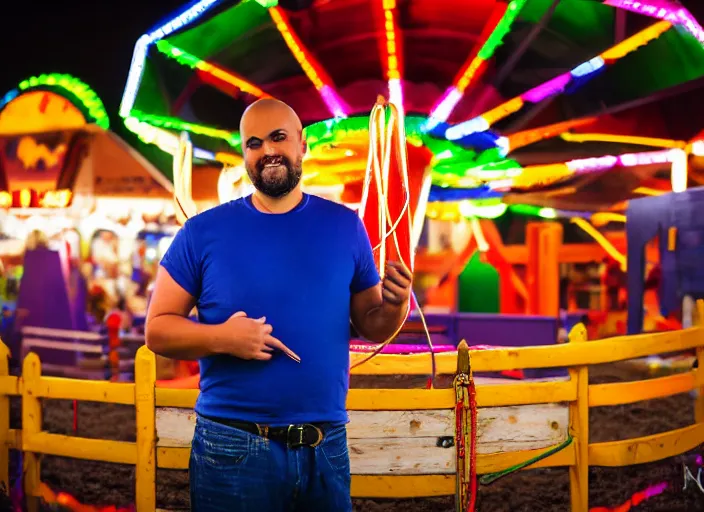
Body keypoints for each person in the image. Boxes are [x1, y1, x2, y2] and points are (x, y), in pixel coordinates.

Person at [145, 98, 413, 511]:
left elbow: (371, 324)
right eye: (254, 143)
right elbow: (157, 329)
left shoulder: (345, 226)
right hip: (232, 446)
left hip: (325, 446)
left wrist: (395, 308)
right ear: (244, 155)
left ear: (302, 145)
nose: (267, 149)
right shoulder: (201, 233)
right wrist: (222, 338)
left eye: (278, 137)